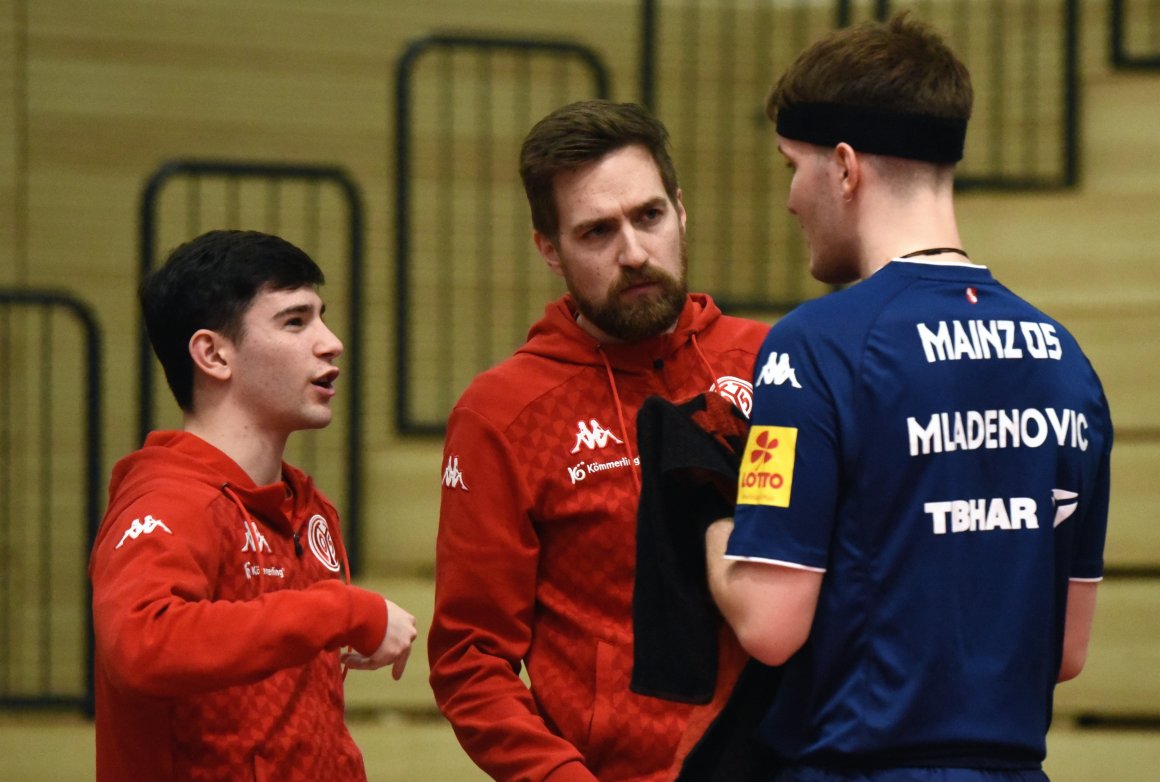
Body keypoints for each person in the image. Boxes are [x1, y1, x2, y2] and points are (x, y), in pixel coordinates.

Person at [706, 13, 1113, 782]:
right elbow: (1066, 649)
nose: (791, 199)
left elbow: (770, 624)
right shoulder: (1066, 362)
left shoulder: (814, 346)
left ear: (846, 168)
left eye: (793, 166)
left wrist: (707, 521)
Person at [427, 99, 770, 781]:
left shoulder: (775, 361)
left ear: (680, 208)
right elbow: (471, 659)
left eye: (648, 216)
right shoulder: (503, 413)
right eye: (596, 233)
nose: (634, 253)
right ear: (549, 250)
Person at [88, 230, 418, 782]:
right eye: (295, 321)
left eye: (321, 316)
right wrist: (340, 611)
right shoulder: (169, 501)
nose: (331, 341)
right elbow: (142, 646)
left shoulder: (310, 511)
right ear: (214, 354)